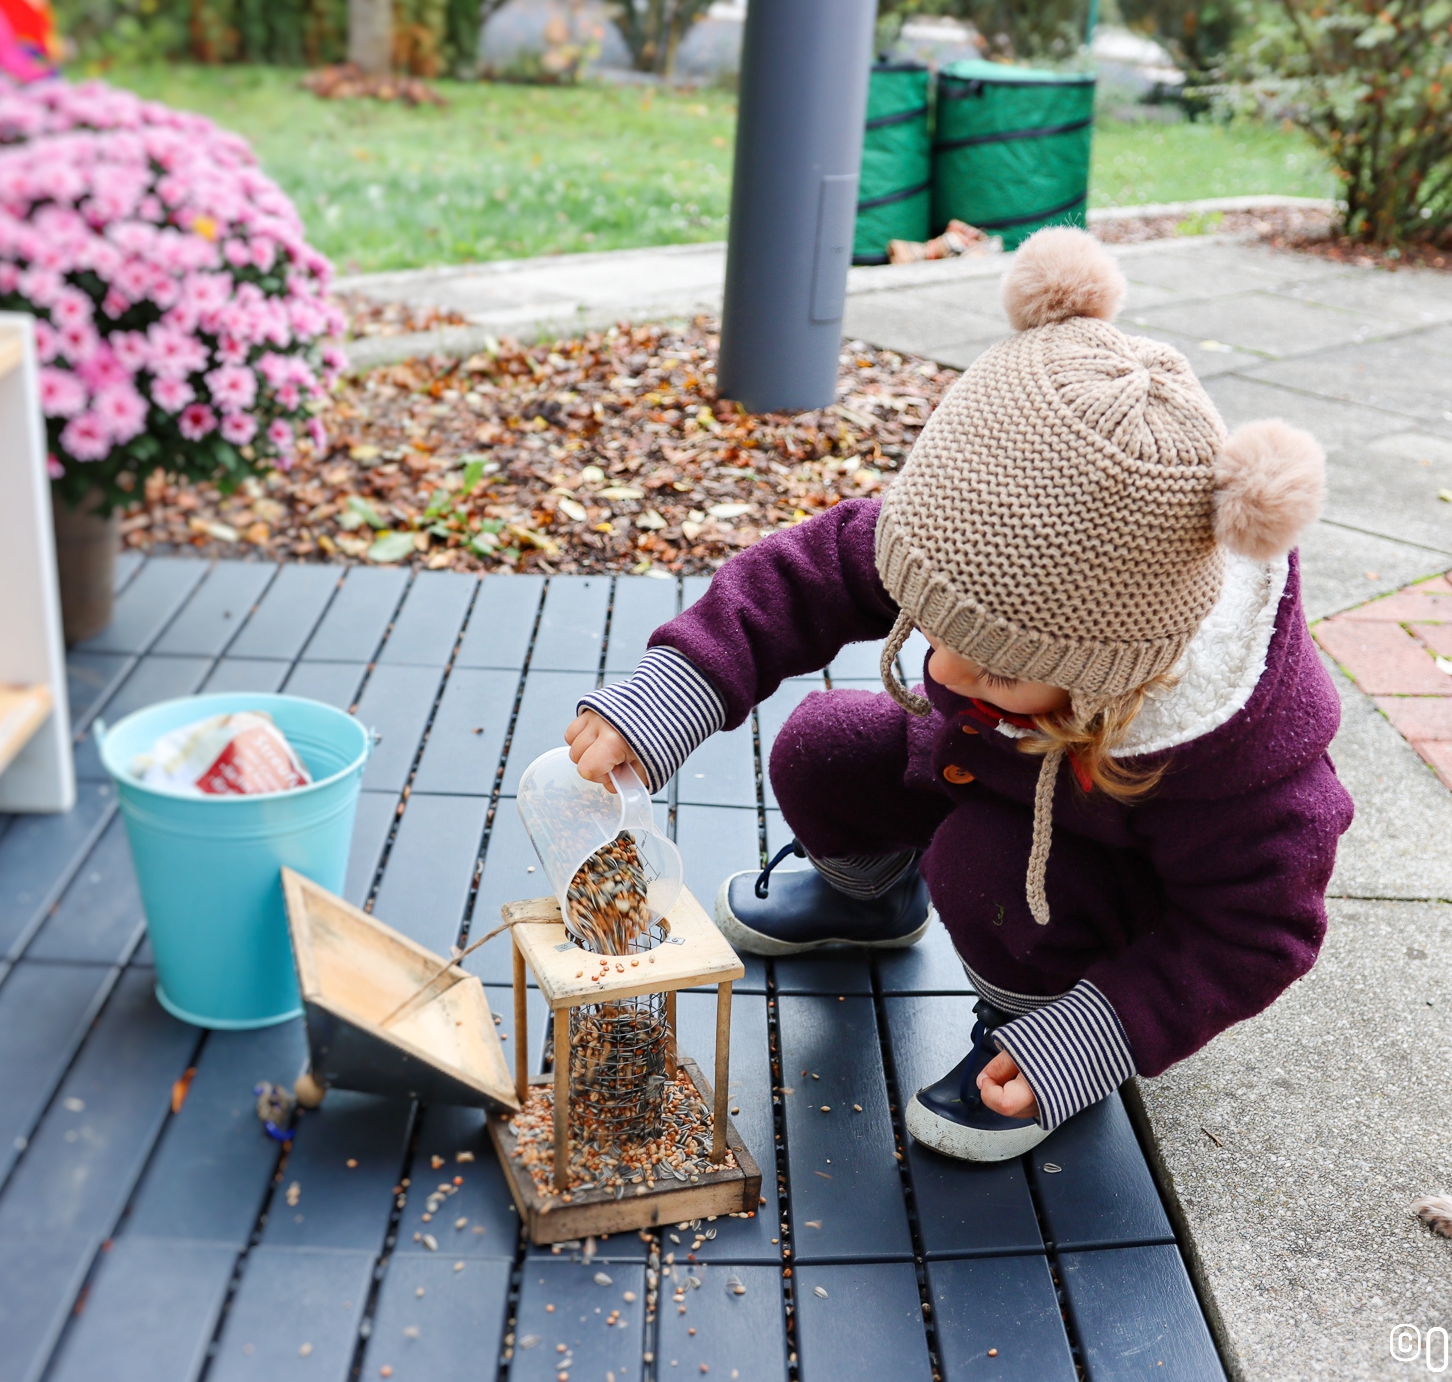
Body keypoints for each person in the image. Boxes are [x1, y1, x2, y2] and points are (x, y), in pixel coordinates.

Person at [563, 227, 1353, 1161]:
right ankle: (866, 901)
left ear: (1115, 672)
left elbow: (1261, 931)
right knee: (822, 745)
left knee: (984, 874)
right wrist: (673, 690)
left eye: (999, 667)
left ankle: (1031, 1038)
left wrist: (1097, 1035)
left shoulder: (1241, 761)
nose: (939, 672)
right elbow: (803, 579)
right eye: (937, 633)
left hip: (1092, 890)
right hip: (987, 774)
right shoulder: (978, 541)